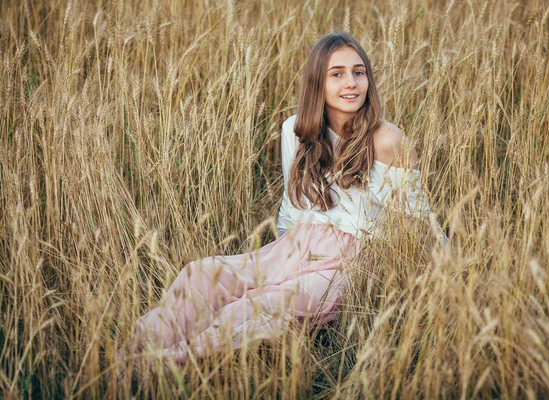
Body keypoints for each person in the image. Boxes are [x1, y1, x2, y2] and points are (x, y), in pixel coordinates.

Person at [122, 32, 445, 365]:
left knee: (253, 306)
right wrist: (278, 258)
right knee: (201, 274)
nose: (351, 83)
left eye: (359, 72)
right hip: (296, 245)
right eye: (337, 74)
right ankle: (137, 353)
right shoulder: (296, 130)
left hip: (353, 262)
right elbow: (293, 205)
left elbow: (419, 219)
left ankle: (167, 363)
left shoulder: (386, 139)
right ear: (316, 82)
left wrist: (446, 276)